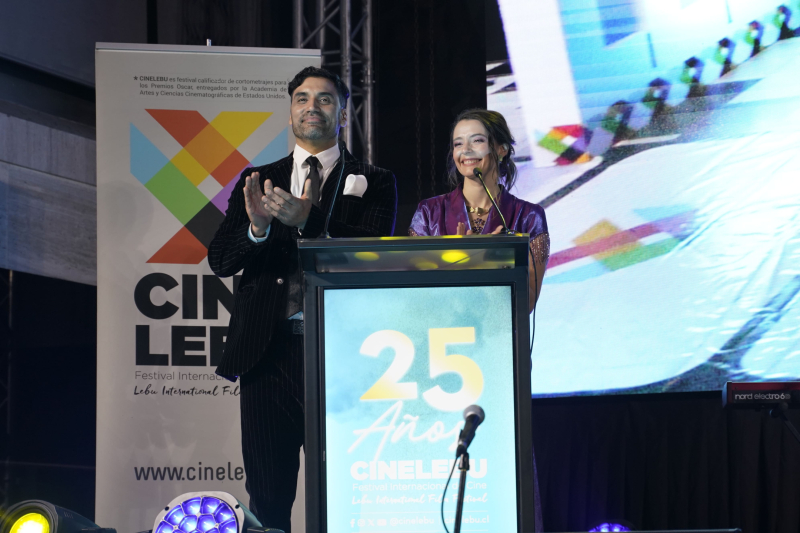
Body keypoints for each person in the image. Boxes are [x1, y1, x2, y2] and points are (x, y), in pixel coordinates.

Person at [208, 66, 397, 533]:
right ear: (290, 111)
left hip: (342, 358)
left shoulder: (375, 180)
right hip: (266, 355)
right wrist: (257, 230)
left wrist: (309, 221)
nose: (312, 107)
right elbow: (221, 260)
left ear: (343, 113)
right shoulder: (259, 178)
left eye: (325, 99)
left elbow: (372, 257)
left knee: (342, 496)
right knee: (268, 498)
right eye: (302, 99)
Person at [409, 108, 549, 311]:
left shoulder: (529, 216)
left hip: (501, 328)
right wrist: (459, 264)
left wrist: (489, 264)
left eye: (477, 141)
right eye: (458, 144)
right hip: (443, 329)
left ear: (501, 149)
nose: (465, 150)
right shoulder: (428, 213)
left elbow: (527, 303)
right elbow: (416, 296)